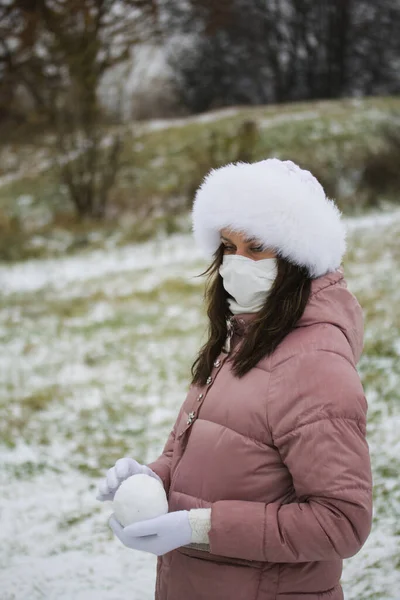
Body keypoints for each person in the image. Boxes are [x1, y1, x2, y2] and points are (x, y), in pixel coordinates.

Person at [97, 158, 373, 600]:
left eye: (256, 247)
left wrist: (199, 528)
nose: (236, 262)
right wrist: (153, 478)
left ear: (297, 256)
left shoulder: (314, 364)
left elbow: (342, 522)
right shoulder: (241, 337)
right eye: (228, 246)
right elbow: (213, 453)